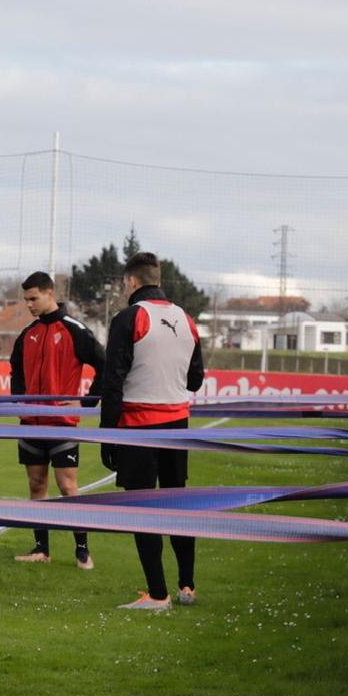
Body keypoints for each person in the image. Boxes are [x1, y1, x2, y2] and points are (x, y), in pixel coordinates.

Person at [98, 252, 205, 612]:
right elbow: (196, 379)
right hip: (178, 426)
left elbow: (111, 381)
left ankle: (157, 594)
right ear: (158, 278)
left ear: (130, 281)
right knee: (178, 503)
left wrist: (107, 435)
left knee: (141, 508)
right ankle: (187, 585)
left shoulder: (129, 318)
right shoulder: (186, 318)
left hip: (138, 427)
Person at [9, 271, 104, 568]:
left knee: (67, 487)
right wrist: (20, 402)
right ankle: (41, 549)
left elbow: (105, 364)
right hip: (30, 424)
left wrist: (86, 401)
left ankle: (82, 550)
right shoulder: (27, 334)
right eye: (26, 299)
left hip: (62, 424)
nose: (29, 304)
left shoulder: (74, 330)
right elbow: (17, 374)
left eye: (34, 298)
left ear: (50, 294)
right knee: (36, 485)